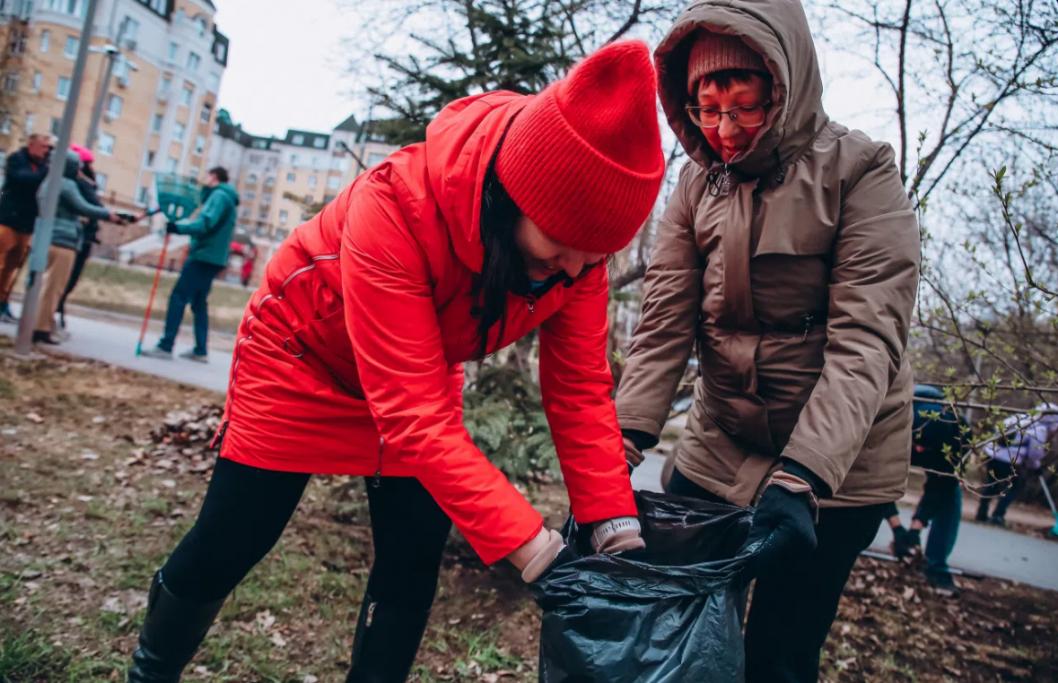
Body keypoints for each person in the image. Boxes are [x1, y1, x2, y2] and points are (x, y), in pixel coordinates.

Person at [127, 40, 662, 682]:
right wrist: (540, 551)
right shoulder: (395, 207)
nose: (575, 269)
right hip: (301, 362)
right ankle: (151, 670)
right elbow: (414, 417)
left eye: (595, 255)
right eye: (563, 246)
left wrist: (614, 527)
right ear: (511, 197)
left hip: (420, 377)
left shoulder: (579, 258)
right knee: (233, 542)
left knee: (411, 560)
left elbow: (578, 391)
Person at [615, 2, 920, 681]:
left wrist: (804, 474)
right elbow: (664, 318)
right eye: (707, 109)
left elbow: (866, 340)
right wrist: (620, 440)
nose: (724, 130)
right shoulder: (695, 184)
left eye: (745, 107)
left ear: (782, 86)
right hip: (723, 440)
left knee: (777, 654)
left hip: (838, 464)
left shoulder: (861, 172)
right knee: (682, 628)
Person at [140, 167, 239, 363]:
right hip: (214, 258)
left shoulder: (219, 196)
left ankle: (166, 345)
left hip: (203, 256)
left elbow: (205, 223)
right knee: (198, 303)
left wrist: (178, 228)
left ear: (214, 177)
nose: (205, 180)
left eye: (208, 176)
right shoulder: (226, 197)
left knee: (178, 296)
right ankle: (200, 350)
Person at [883, 385, 969, 595]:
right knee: (864, 489)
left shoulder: (958, 434)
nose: (920, 450)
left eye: (925, 447)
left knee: (950, 498)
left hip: (943, 455)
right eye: (917, 444)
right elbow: (877, 480)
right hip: (897, 437)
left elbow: (942, 485)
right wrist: (897, 527)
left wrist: (915, 527)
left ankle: (937, 567)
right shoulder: (890, 419)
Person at [32, 150, 124, 344]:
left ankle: (40, 323)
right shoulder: (67, 185)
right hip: (63, 240)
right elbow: (84, 207)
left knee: (43, 285)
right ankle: (41, 328)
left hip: (45, 237)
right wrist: (109, 215)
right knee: (54, 288)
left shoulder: (48, 183)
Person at [976, 403, 1058, 526]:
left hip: (992, 454)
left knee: (992, 483)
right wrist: (1035, 466)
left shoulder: (1019, 417)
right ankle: (998, 515)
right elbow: (1034, 453)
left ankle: (981, 513)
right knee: (1014, 487)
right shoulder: (1039, 429)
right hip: (1010, 459)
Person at [0, 133, 52, 323]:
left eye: (48, 147)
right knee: (1, 261)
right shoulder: (17, 159)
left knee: (14, 267)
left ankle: (3, 302)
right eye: (43, 146)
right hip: (8, 220)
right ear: (31, 145)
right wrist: (45, 172)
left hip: (27, 223)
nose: (46, 151)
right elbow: (22, 179)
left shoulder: (42, 167)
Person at [56, 143, 106, 329]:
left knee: (68, 278)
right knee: (65, 278)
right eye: (87, 164)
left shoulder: (85, 183)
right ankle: (53, 310)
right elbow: (92, 206)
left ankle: (56, 308)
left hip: (82, 235)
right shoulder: (77, 184)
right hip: (74, 236)